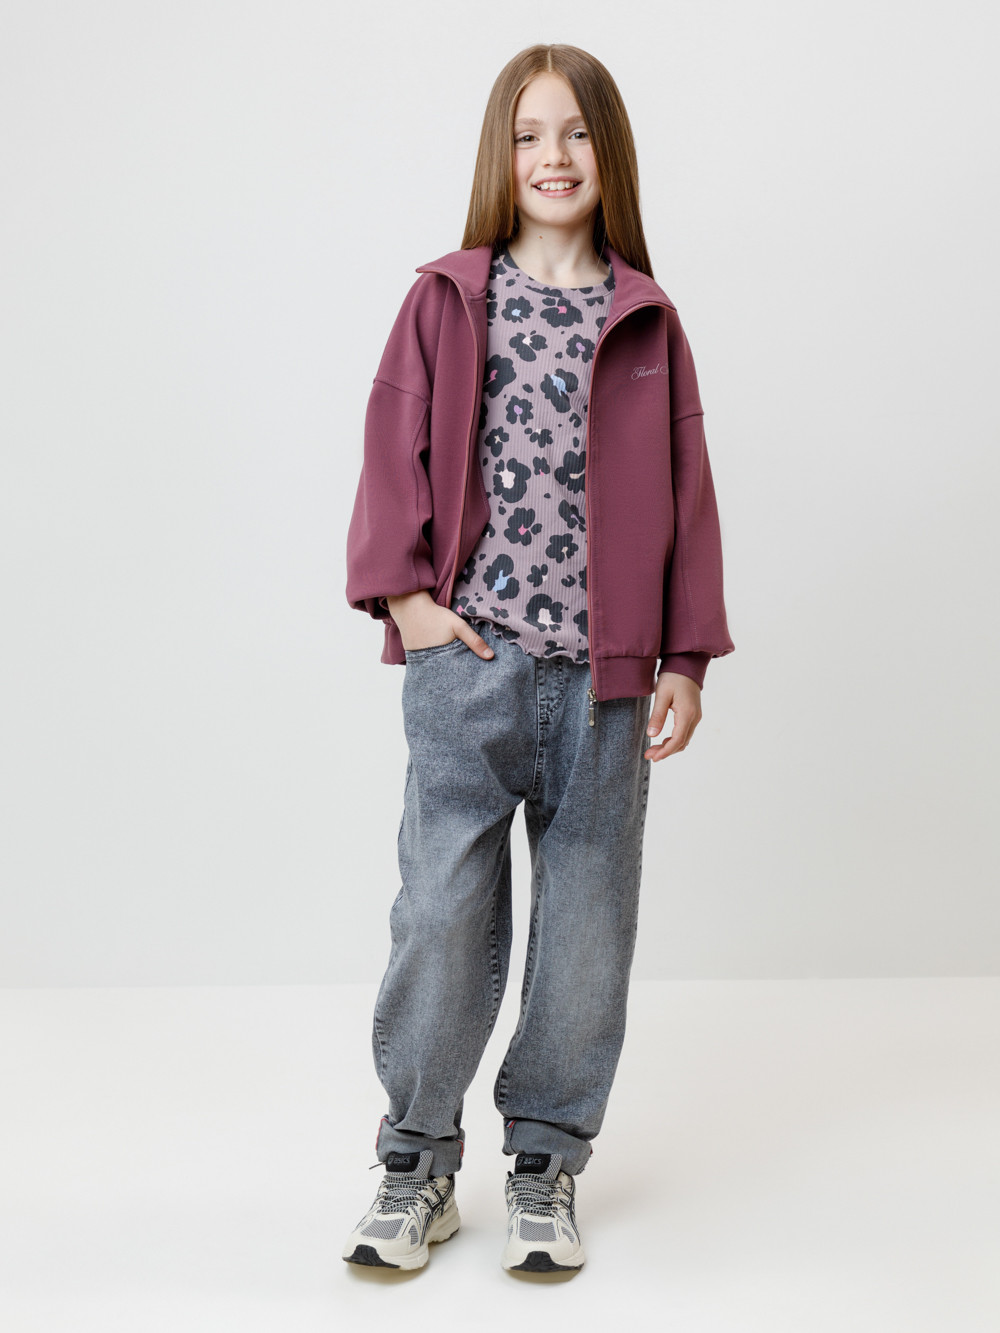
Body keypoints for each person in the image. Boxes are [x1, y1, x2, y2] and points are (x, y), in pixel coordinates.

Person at [342, 43, 735, 1274]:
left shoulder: (646, 318)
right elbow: (390, 447)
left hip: (608, 687)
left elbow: (688, 493)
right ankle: (415, 1162)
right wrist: (406, 600)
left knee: (585, 932)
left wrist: (686, 655)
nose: (552, 157)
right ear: (498, 157)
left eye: (573, 133)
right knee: (441, 914)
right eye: (527, 135)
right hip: (470, 669)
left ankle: (545, 1164)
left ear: (607, 153)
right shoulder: (447, 299)